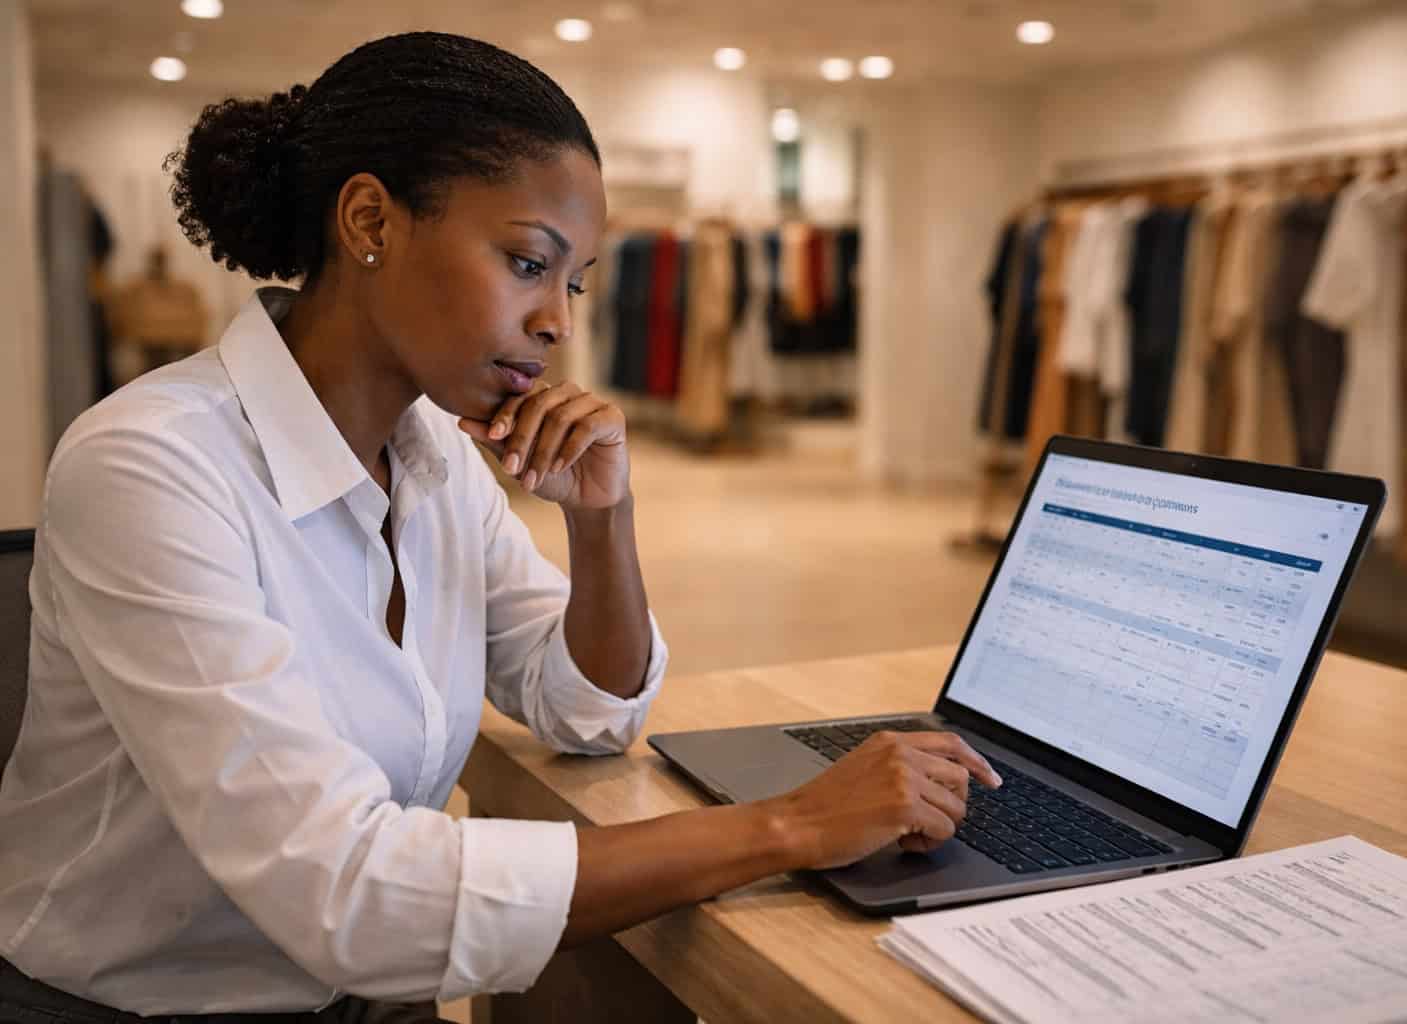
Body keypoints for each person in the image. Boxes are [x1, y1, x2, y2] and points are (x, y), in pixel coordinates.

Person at [0, 31, 998, 1024]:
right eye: (529, 262)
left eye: (576, 280)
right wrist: (787, 825)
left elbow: (589, 713)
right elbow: (345, 890)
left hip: (368, 995)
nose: (561, 321)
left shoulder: (432, 456)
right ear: (368, 221)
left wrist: (604, 521)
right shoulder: (151, 468)